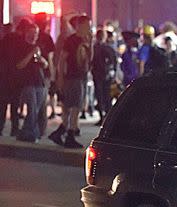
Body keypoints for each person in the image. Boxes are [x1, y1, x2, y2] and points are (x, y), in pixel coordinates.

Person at [48, 15, 92, 149]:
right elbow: (62, 60)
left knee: (71, 107)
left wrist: (90, 44)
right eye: (86, 25)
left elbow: (89, 59)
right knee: (74, 108)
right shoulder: (71, 40)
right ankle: (69, 136)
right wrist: (59, 78)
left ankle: (61, 132)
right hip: (72, 78)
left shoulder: (86, 40)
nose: (88, 28)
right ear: (79, 25)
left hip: (81, 76)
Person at [15, 21, 48, 142]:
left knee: (37, 109)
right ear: (26, 33)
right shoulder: (21, 47)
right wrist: (31, 54)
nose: (34, 35)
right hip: (28, 83)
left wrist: (42, 59)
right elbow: (19, 65)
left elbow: (45, 64)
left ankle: (25, 132)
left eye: (36, 33)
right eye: (31, 32)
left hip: (40, 82)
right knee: (32, 109)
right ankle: (31, 133)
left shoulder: (38, 47)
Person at [91, 29, 117, 125]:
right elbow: (114, 62)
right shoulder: (109, 48)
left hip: (98, 75)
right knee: (107, 96)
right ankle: (107, 118)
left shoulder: (94, 48)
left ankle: (102, 117)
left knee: (100, 96)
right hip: (107, 76)